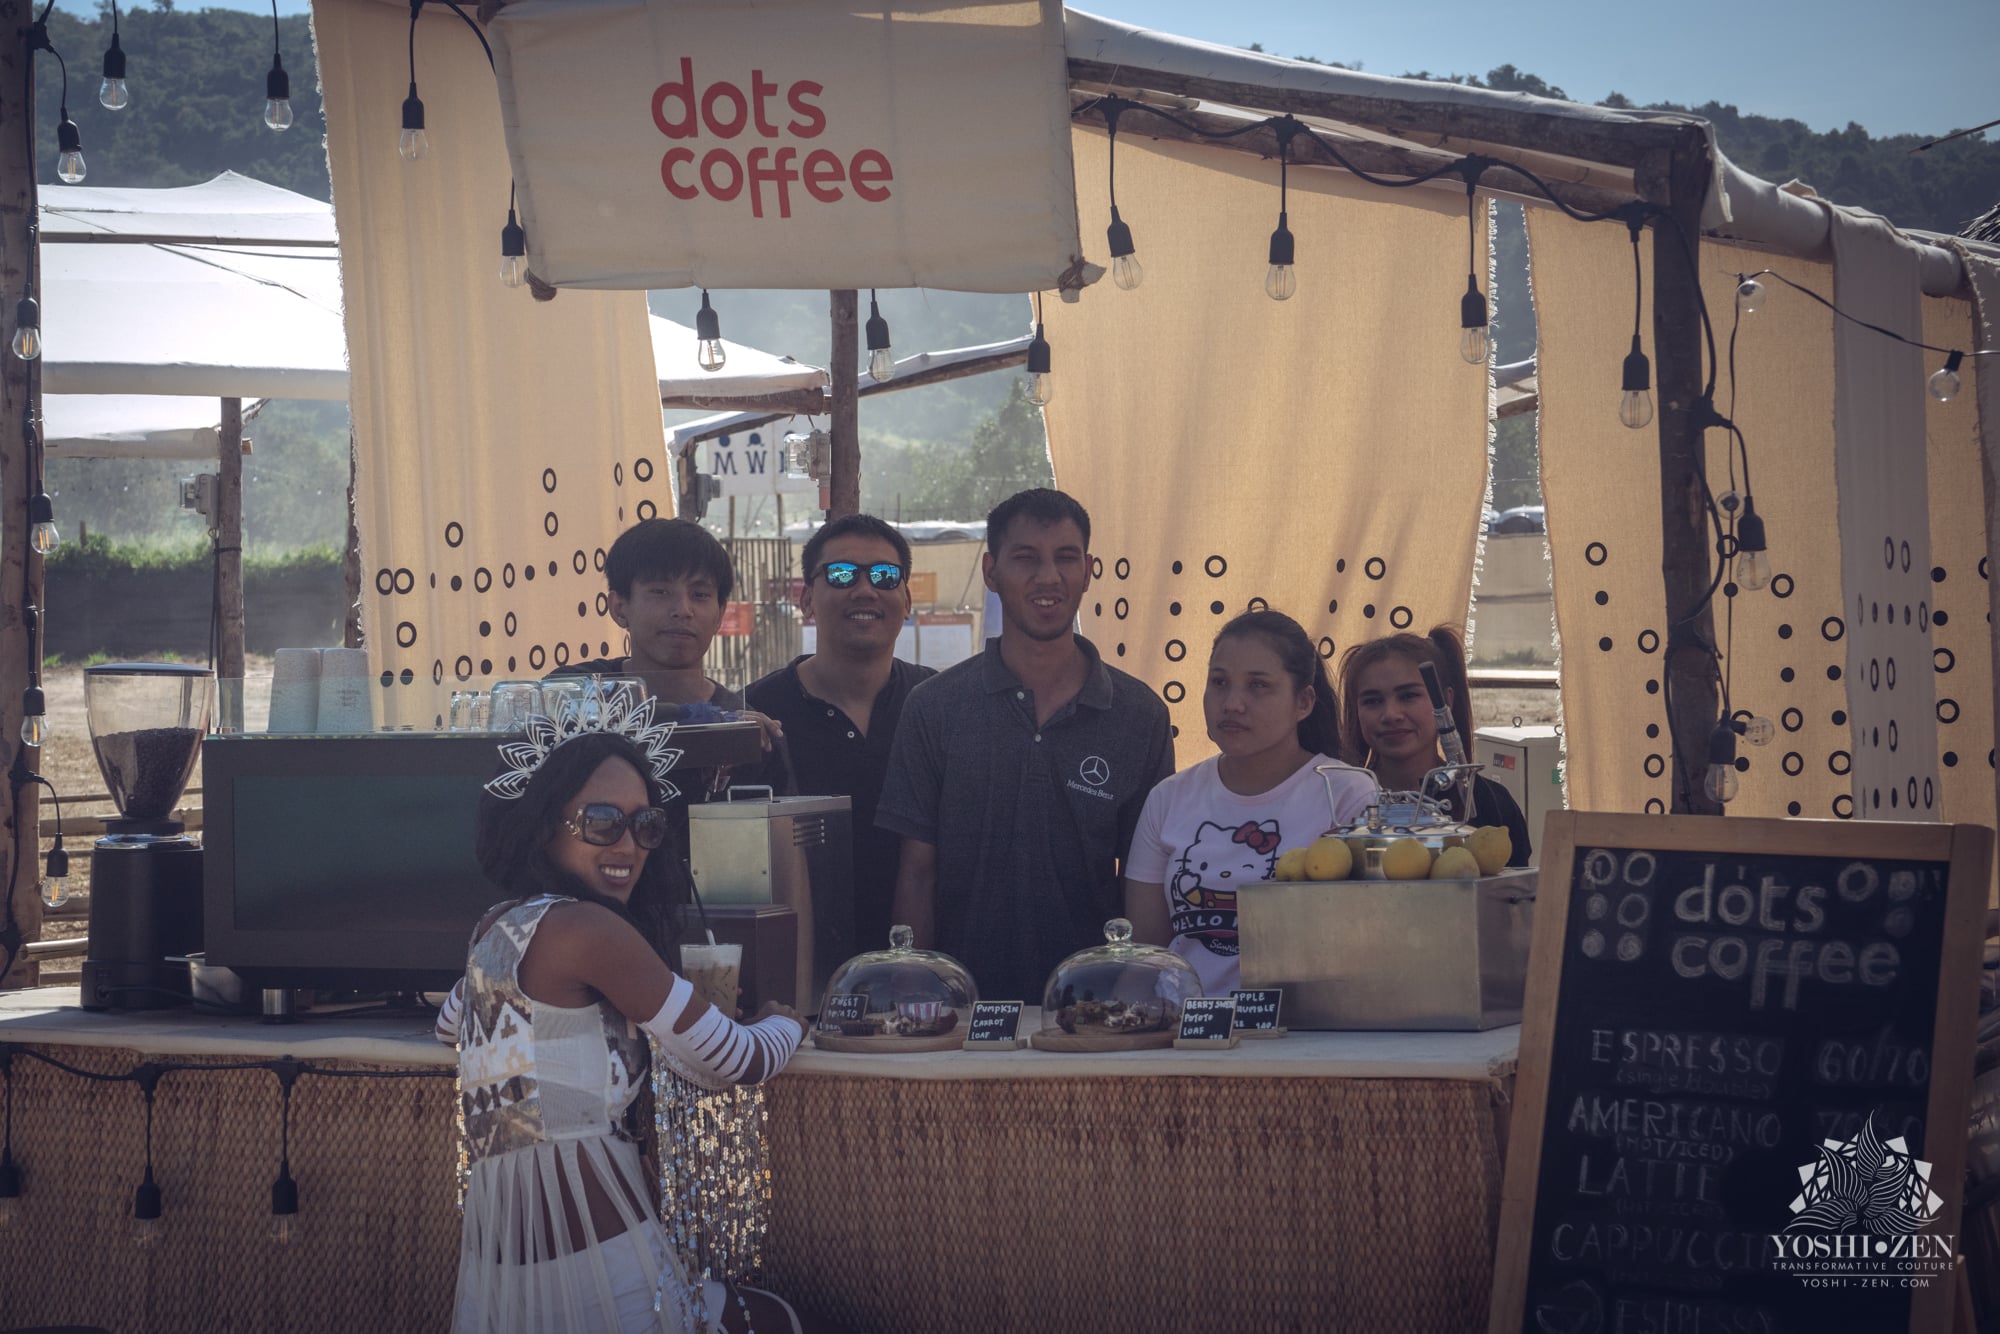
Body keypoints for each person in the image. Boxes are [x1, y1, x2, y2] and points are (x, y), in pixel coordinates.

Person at [437, 700, 807, 1334]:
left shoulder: (496, 929)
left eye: (645, 825)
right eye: (602, 822)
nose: (629, 845)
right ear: (543, 827)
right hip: (602, 1277)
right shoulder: (590, 930)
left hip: (503, 1287)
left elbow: (449, 1026)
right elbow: (734, 1060)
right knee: (780, 1319)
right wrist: (790, 1021)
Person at [878, 488, 1175, 1001]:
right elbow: (917, 873)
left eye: (1066, 558)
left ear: (1088, 571)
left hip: (1093, 1011)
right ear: (991, 572)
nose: (1048, 577)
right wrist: (916, 998)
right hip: (965, 1011)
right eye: (1026, 559)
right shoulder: (935, 707)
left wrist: (1132, 1000)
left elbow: (1146, 883)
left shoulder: (1139, 713)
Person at [1123, 611, 1377, 994]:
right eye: (1219, 682)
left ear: (1304, 702)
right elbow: (1147, 954)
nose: (1233, 704)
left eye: (1258, 685)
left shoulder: (1346, 792)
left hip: (1305, 1037)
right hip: (1186, 1035)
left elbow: (1366, 939)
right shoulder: (1168, 798)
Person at [745, 513, 935, 959]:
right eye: (842, 574)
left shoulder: (941, 707)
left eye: (885, 576)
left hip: (925, 983)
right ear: (806, 599)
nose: (865, 589)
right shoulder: (755, 715)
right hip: (795, 985)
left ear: (906, 600)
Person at [1336, 626, 1534, 867]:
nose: (1391, 714)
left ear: (1446, 701)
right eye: (1373, 701)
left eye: (1408, 696)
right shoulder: (1338, 801)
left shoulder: (1489, 802)